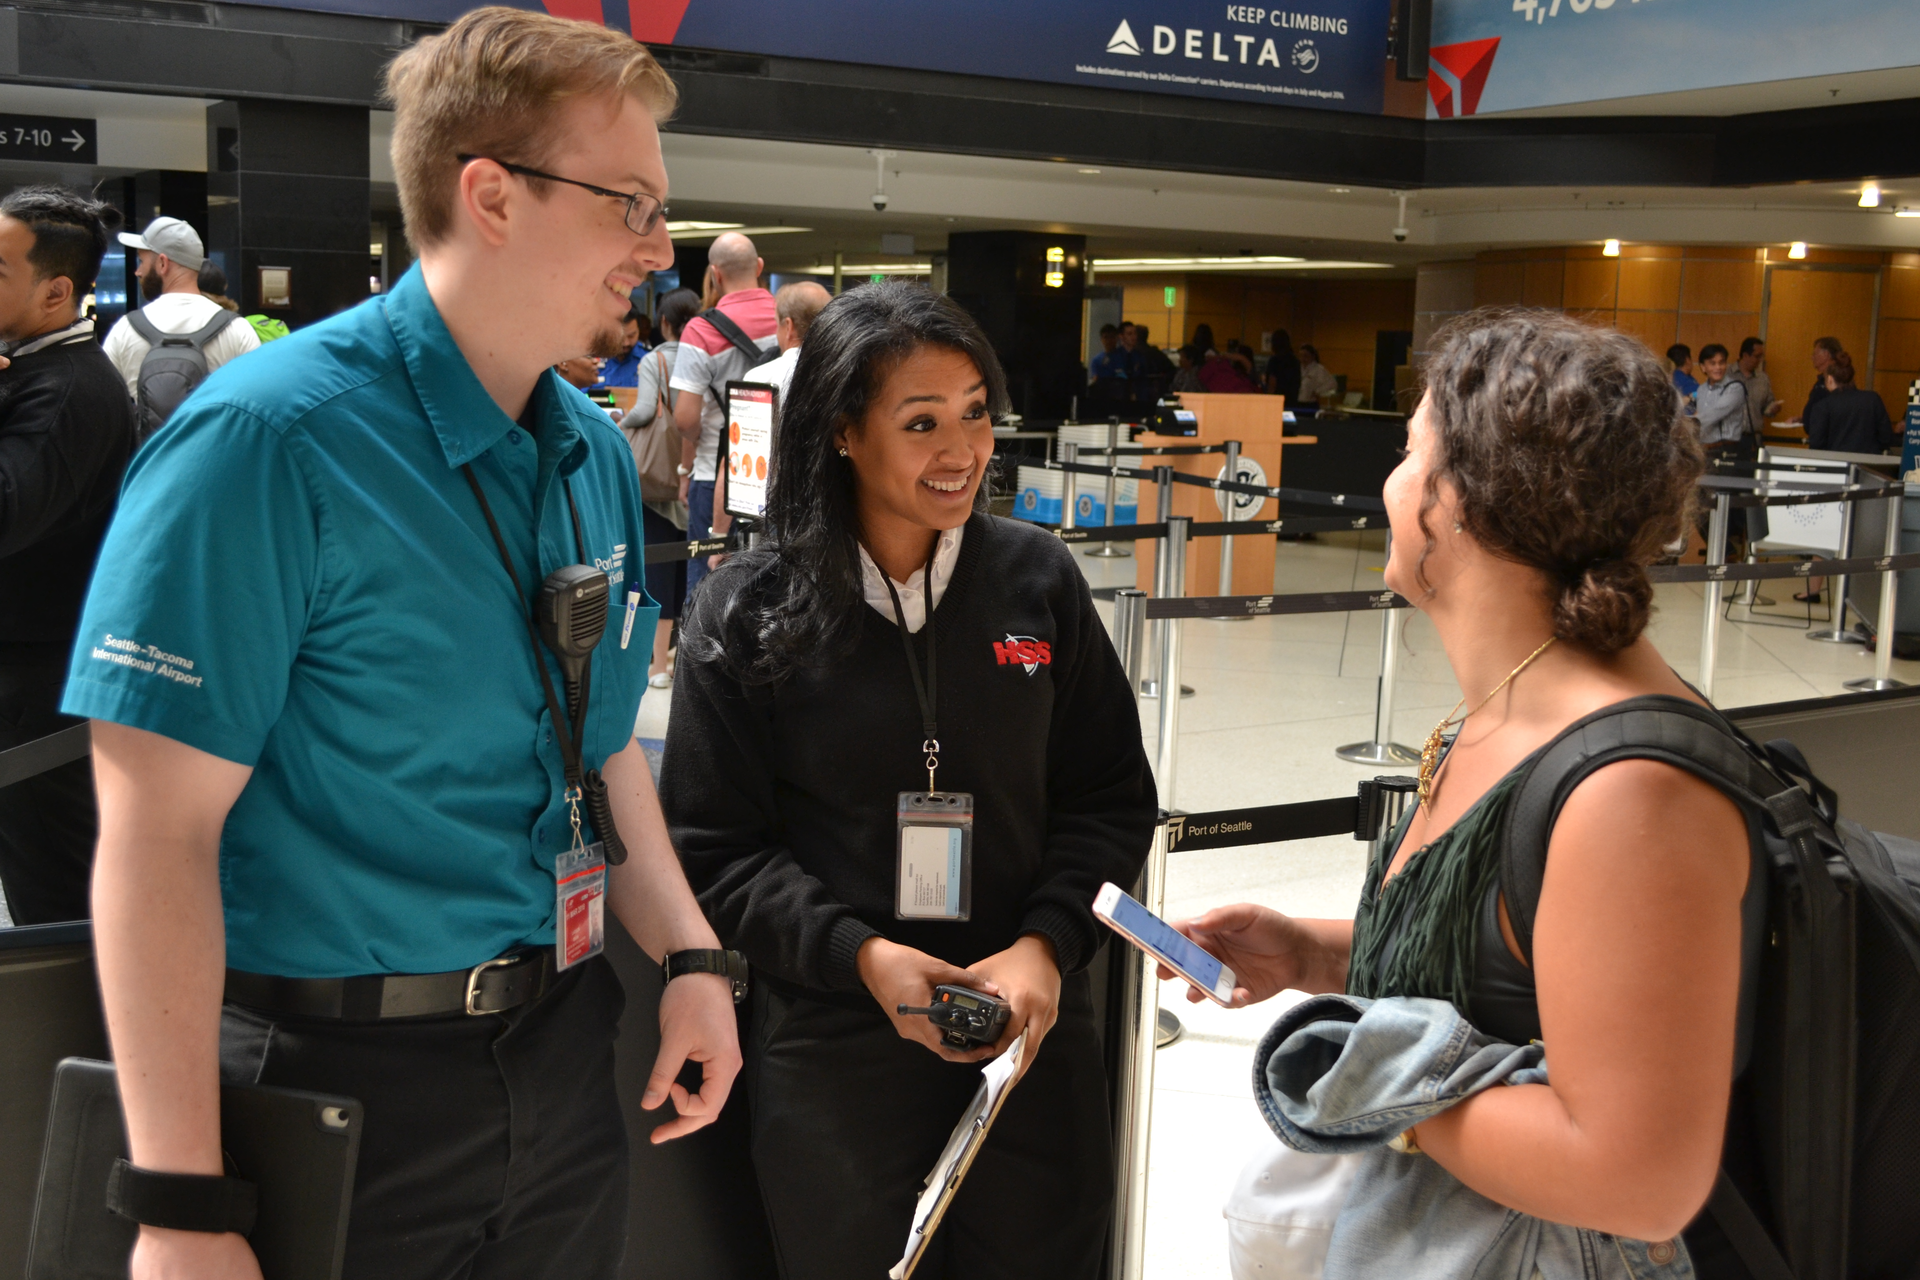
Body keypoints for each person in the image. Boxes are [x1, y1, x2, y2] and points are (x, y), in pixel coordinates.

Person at [65, 12, 742, 1278]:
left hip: (558, 1055)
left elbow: (603, 754)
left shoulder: (587, 454)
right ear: (490, 194)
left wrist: (692, 953)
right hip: (331, 1086)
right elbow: (154, 831)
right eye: (632, 204)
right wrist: (177, 1199)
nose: (661, 250)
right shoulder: (268, 444)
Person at [1166, 309, 1757, 1276]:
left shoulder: (1629, 791)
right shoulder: (1509, 707)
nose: (1390, 485)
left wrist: (1373, 1084)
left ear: (1468, 502)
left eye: (1409, 454)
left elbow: (1640, 1176)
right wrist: (1317, 954)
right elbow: (1532, 976)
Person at [661, 281, 1157, 1280]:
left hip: (1027, 1042)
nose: (963, 449)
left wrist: (1045, 944)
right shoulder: (746, 609)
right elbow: (716, 845)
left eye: (976, 411)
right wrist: (863, 957)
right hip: (835, 1048)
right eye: (921, 420)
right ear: (842, 431)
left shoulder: (1038, 581)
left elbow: (1108, 793)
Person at [0, 185, 138, 926]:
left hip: (43, 688)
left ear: (56, 291)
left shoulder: (66, 390)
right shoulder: (31, 371)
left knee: (56, 895)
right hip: (32, 675)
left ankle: (93, 1039)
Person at [669, 230, 775, 599]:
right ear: (759, 267)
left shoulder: (700, 330)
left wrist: (687, 467)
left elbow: (685, 420)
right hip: (781, 474)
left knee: (706, 587)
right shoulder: (788, 319)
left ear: (715, 274)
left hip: (716, 476)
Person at [620, 285, 700, 688]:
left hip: (657, 484)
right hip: (696, 474)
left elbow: (646, 410)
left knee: (655, 569)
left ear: (664, 322)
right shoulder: (704, 357)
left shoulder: (656, 360)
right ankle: (685, 654)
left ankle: (655, 667)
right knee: (691, 566)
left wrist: (618, 423)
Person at [101, 215, 259, 406]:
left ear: (162, 263)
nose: (138, 272)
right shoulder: (237, 330)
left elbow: (104, 405)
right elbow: (255, 404)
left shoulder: (125, 329)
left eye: (141, 261)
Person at [1805, 353, 1895, 455]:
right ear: (1852, 377)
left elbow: (1816, 444)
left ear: (1830, 379)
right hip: (1869, 464)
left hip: (1837, 464)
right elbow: (1886, 437)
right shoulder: (1872, 399)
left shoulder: (1822, 406)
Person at [1727, 337, 1780, 440]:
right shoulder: (1726, 375)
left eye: (1762, 356)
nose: (1760, 360)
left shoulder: (1763, 378)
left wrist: (1773, 408)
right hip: (1729, 438)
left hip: (1754, 438)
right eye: (1757, 356)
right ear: (1745, 355)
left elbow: (1767, 405)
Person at [593, 303, 647, 387]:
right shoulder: (593, 358)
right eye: (620, 337)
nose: (626, 343)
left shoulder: (647, 359)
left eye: (631, 336)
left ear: (639, 330)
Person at [1086, 321, 1131, 416]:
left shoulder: (1124, 356)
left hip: (1120, 396)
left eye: (1112, 337)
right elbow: (1095, 379)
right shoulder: (1096, 360)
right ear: (1101, 339)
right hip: (1102, 397)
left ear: (1116, 338)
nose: (1109, 341)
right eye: (1106, 337)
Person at [1129, 322, 1174, 406]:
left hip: (1141, 391)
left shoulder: (1132, 353)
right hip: (1154, 392)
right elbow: (1171, 370)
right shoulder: (1155, 352)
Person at [1801, 335, 1843, 421]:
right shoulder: (1821, 381)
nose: (1812, 357)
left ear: (1826, 354)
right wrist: (1802, 419)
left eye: (1815, 354)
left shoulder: (1838, 380)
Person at [1296, 343, 1339, 413]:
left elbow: (1332, 384)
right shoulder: (1297, 368)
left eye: (1305, 356)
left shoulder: (1319, 369)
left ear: (1313, 356)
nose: (1303, 359)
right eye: (1301, 356)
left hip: (1310, 404)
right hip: (1297, 403)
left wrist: (1317, 391)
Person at [1264, 328, 1303, 403]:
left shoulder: (1275, 360)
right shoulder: (1295, 361)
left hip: (1276, 401)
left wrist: (1268, 400)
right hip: (1292, 400)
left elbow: (1272, 383)